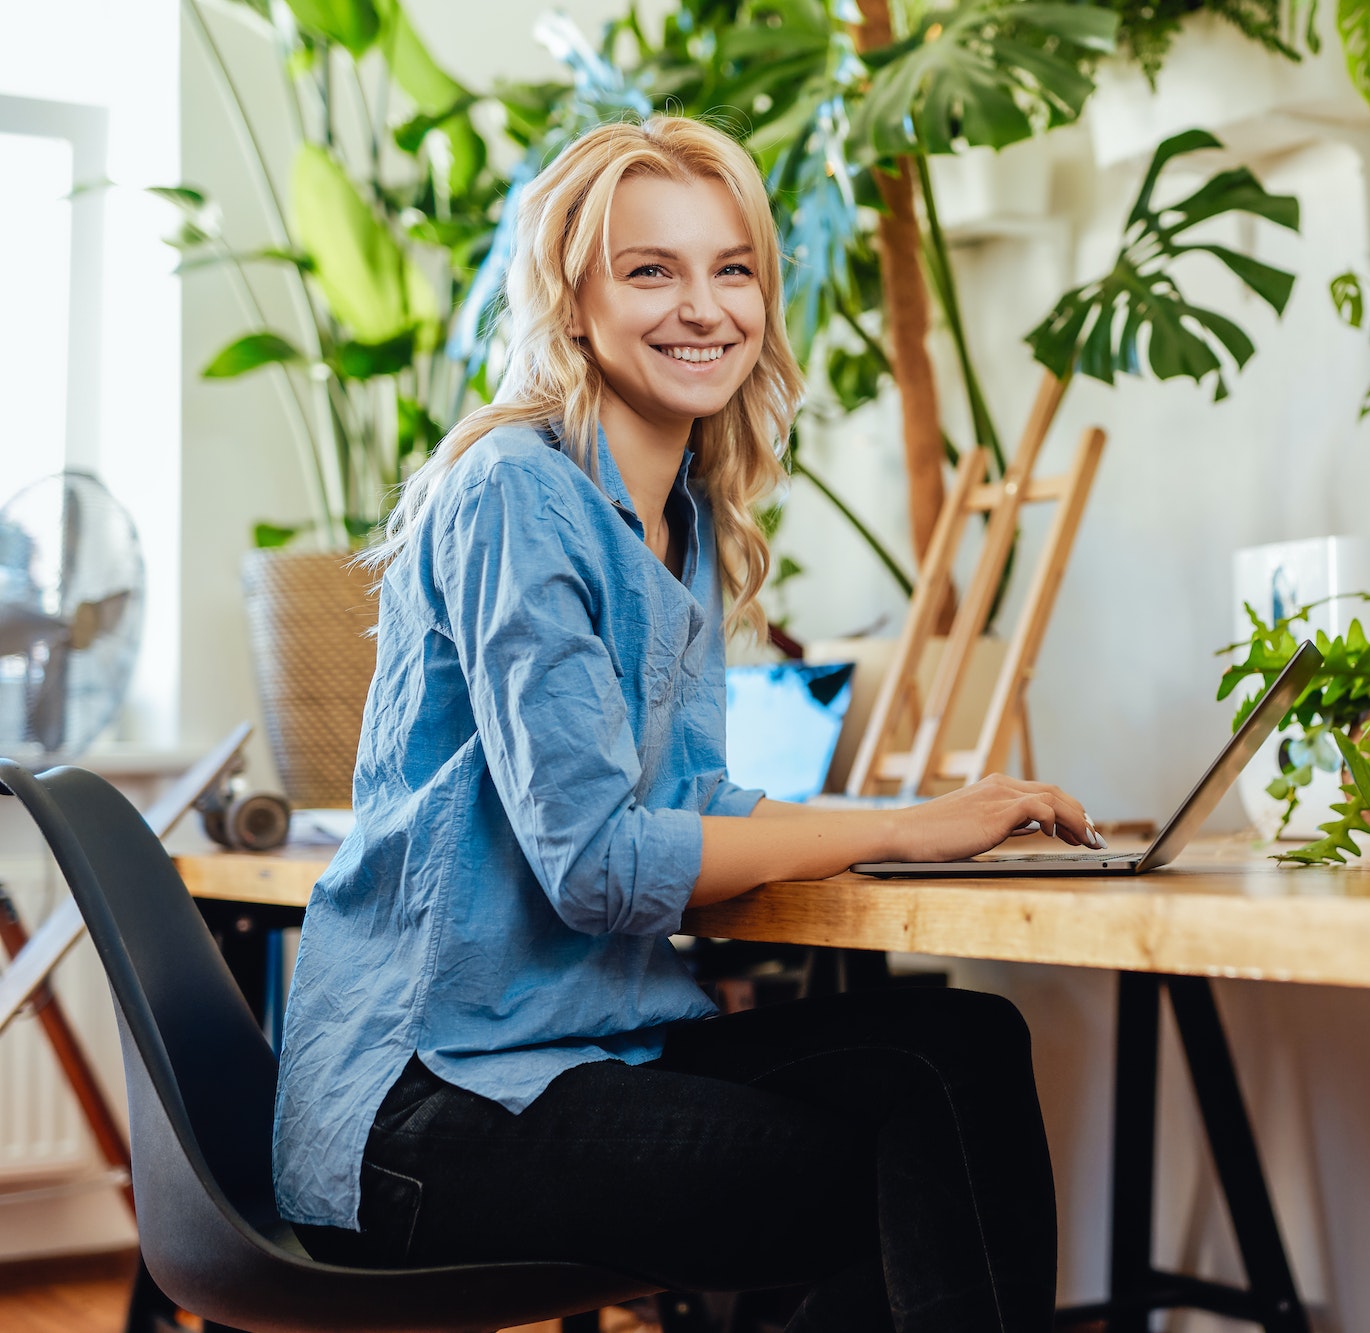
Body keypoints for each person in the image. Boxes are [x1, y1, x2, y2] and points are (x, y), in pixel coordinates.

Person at [273, 115, 1099, 1333]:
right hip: (426, 1099)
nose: (702, 307)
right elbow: (602, 865)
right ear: (571, 302)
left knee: (959, 1048)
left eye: (733, 268)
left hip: (582, 1047)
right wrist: (919, 822)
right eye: (649, 269)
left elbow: (693, 807)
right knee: (911, 1182)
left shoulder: (688, 520)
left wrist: (936, 824)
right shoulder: (515, 491)